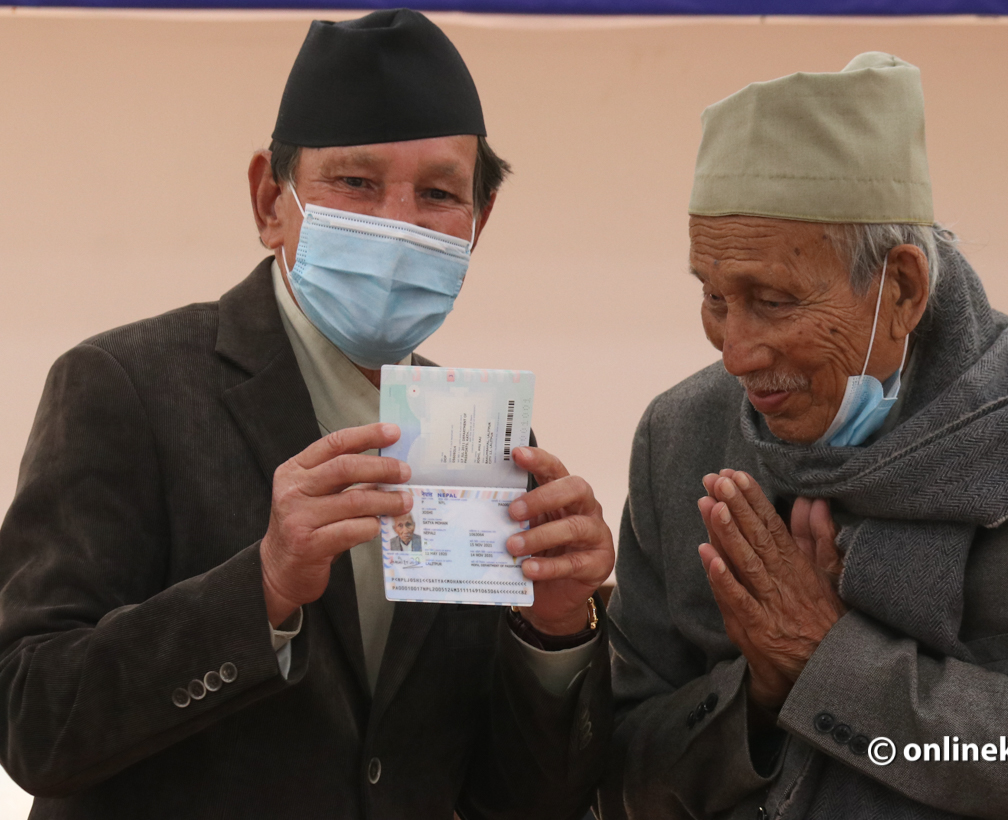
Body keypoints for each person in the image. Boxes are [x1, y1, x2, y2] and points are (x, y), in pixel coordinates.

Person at [0, 10, 613, 819]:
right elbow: (32, 718)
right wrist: (259, 590)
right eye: (355, 184)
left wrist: (554, 635)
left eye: (437, 194)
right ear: (270, 199)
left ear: (479, 223)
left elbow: (515, 797)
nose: (397, 223)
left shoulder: (487, 443)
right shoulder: (125, 388)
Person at [599, 53, 1008, 820]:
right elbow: (622, 770)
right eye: (715, 297)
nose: (735, 352)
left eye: (774, 299)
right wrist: (758, 694)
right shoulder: (682, 440)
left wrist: (838, 668)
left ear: (901, 286)